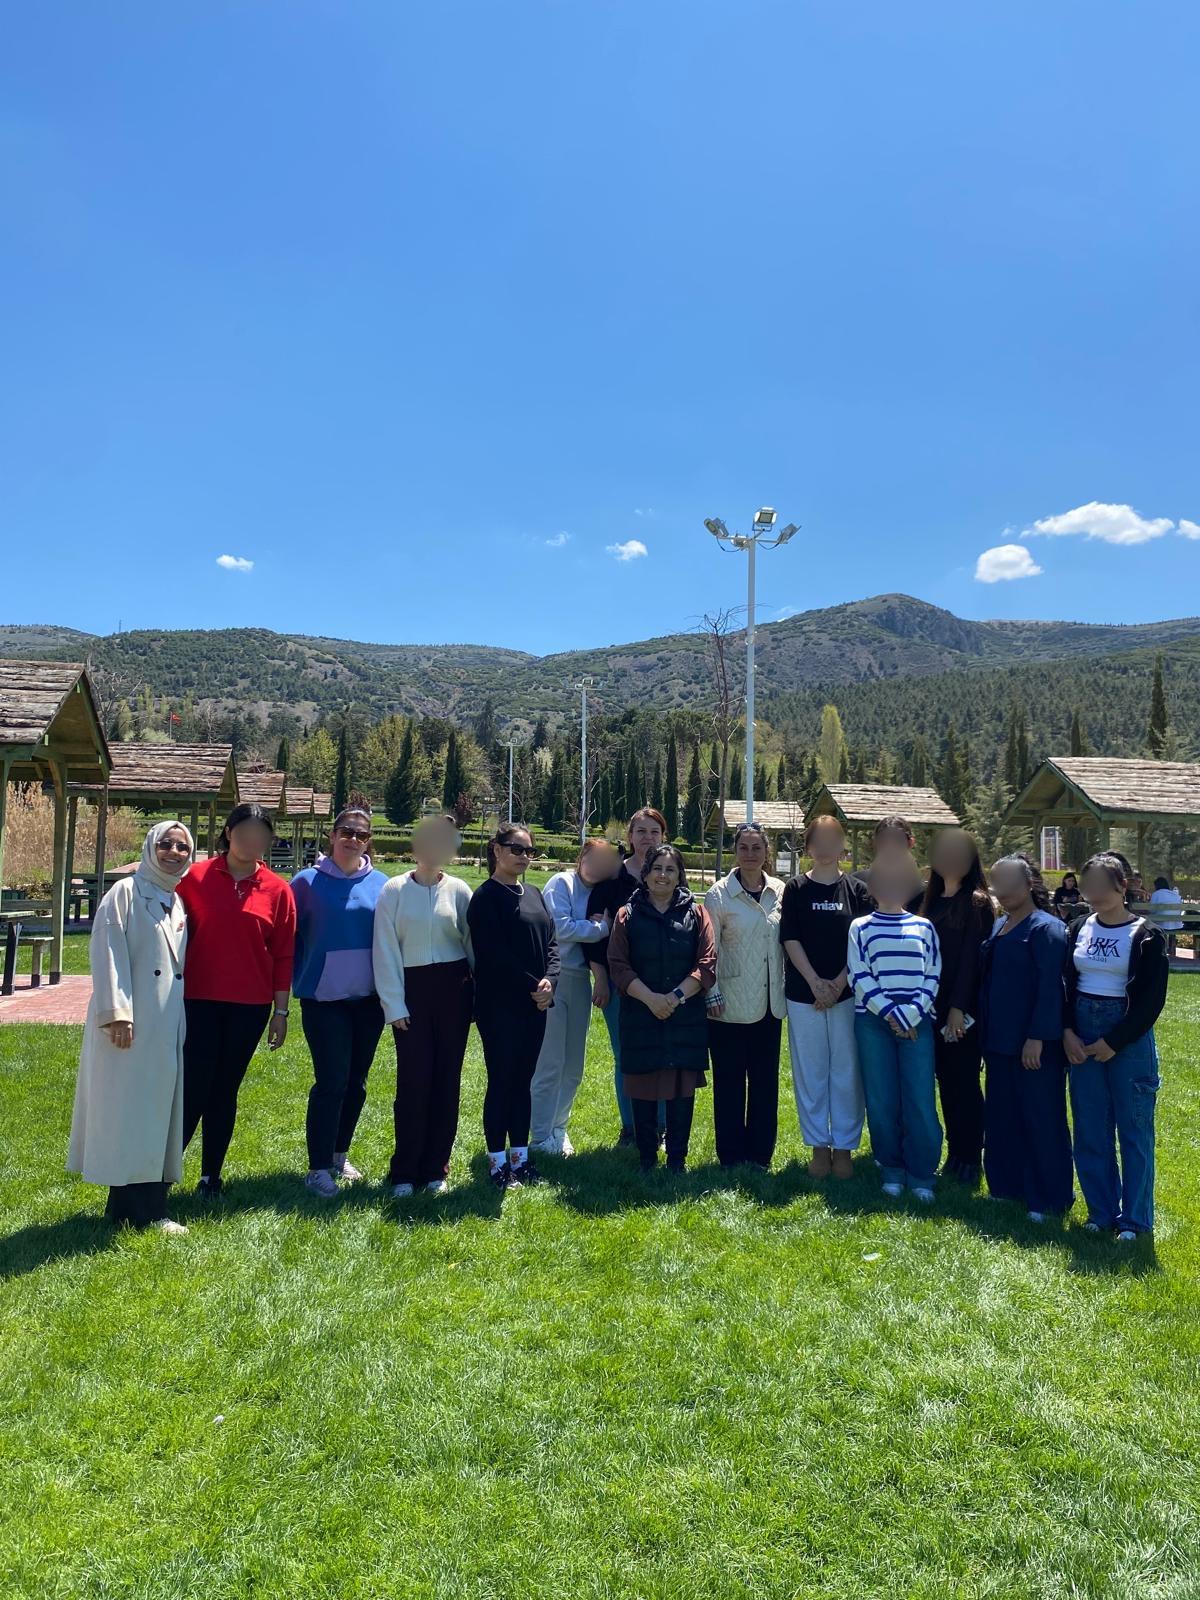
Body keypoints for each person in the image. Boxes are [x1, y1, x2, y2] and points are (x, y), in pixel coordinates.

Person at [68, 823, 195, 1233]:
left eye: (182, 846)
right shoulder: (125, 893)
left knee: (153, 1113)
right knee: (129, 1113)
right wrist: (117, 1013)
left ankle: (128, 1206)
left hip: (164, 1025)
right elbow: (107, 951)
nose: (174, 852)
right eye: (165, 844)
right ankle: (145, 1210)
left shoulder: (175, 900)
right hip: (130, 1025)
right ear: (149, 848)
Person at [176, 802, 296, 1199]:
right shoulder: (193, 878)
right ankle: (162, 1174)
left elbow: (283, 955)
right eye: (244, 833)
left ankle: (210, 1177)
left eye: (260, 835)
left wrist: (281, 1011)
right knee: (192, 1087)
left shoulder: (279, 890)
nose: (251, 841)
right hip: (197, 1000)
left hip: (250, 1006)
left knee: (225, 1089)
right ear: (228, 833)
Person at [1063, 853, 1168, 1240]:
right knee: (1090, 1128)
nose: (1091, 892)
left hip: (1129, 1039)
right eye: (1087, 884)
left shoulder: (1148, 935)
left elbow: (1151, 1001)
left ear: (1122, 886)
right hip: (1081, 1035)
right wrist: (1067, 1031)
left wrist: (1114, 1041)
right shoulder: (1077, 928)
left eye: (1100, 884)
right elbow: (1063, 984)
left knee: (1134, 1131)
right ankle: (1101, 1212)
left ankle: (1135, 1221)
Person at [290, 795, 387, 1197]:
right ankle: (317, 1168)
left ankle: (338, 1154)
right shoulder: (305, 883)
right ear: (332, 836)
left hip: (369, 1001)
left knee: (357, 1083)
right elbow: (286, 939)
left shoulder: (382, 885)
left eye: (361, 835)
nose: (353, 839)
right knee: (331, 1082)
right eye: (346, 832)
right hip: (323, 1000)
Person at [373, 815, 475, 1198]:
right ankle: (404, 1171)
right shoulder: (394, 890)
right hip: (411, 992)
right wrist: (393, 1004)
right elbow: (384, 948)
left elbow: (472, 946)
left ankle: (436, 1168)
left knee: (447, 1082)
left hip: (453, 991)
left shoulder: (460, 890)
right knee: (413, 1084)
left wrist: (476, 998)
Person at [607, 845, 717, 1173]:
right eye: (657, 868)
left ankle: (677, 1160)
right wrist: (651, 999)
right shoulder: (626, 915)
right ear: (645, 874)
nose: (663, 875)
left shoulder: (697, 914)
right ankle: (646, 1158)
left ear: (679, 875)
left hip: (685, 1015)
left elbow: (707, 963)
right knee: (643, 1083)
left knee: (681, 1088)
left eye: (671, 869)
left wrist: (675, 997)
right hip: (640, 1013)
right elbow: (618, 966)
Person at [978, 854, 1072, 1222]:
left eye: (1008, 882)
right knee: (1002, 1117)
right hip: (999, 1041)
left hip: (1034, 1044)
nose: (1000, 890)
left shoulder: (1046, 928)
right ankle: (1005, 1187)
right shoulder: (999, 924)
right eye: (996, 882)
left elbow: (1051, 987)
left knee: (1041, 1119)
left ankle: (1048, 1198)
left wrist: (1037, 1036)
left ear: (1029, 884)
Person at [467, 823, 559, 1190]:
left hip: (536, 1005)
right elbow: (493, 955)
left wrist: (551, 981)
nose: (523, 856)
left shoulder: (534, 893)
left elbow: (552, 944)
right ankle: (497, 1164)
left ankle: (520, 1160)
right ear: (496, 850)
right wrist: (535, 986)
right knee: (502, 1081)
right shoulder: (485, 898)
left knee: (523, 1082)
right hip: (500, 1006)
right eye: (516, 849)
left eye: (529, 851)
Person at [847, 853, 942, 1201]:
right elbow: (858, 973)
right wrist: (891, 1013)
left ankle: (921, 1172)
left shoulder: (924, 927)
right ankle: (891, 1167)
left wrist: (910, 1014)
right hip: (873, 1022)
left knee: (920, 1099)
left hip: (917, 1022)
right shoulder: (860, 927)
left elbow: (933, 973)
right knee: (881, 1099)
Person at [779, 814, 870, 1178]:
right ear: (809, 846)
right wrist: (816, 982)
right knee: (811, 1072)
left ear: (843, 845)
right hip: (804, 995)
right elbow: (790, 938)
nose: (827, 847)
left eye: (834, 839)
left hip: (847, 995)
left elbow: (863, 945)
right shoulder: (796, 889)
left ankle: (844, 1147)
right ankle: (819, 1146)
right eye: (820, 840)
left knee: (847, 1071)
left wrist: (837, 984)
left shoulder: (858, 891)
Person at [530, 837, 620, 1157]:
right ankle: (540, 1135)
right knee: (550, 1063)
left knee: (573, 1066)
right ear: (582, 857)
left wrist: (593, 928)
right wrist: (600, 928)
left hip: (580, 979)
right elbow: (561, 928)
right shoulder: (561, 883)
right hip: (554, 978)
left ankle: (559, 1129)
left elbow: (578, 930)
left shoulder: (600, 892)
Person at [704, 823, 787, 1169]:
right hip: (728, 1002)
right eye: (744, 847)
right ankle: (730, 1155)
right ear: (735, 851)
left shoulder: (780, 891)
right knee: (729, 1082)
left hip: (769, 1002)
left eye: (757, 847)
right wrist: (711, 993)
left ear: (767, 852)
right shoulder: (718, 894)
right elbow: (708, 949)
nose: (750, 854)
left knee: (765, 1083)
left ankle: (760, 1155)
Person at [586, 807, 670, 1144]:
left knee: (659, 1054)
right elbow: (595, 938)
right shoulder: (611, 881)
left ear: (663, 837)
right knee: (625, 1054)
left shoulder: (670, 875)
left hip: (661, 985)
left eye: (654, 832)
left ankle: (660, 1126)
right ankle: (631, 1126)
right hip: (618, 984)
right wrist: (600, 979)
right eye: (641, 831)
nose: (648, 837)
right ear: (630, 836)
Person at [921, 829, 995, 1183]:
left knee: (964, 1081)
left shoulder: (978, 903)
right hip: (930, 1007)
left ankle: (970, 1155)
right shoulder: (929, 901)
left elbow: (971, 961)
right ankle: (954, 1152)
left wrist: (957, 1007)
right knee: (946, 1082)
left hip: (960, 1011)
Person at [854, 815, 925, 913]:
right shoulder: (857, 885)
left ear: (911, 843)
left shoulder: (921, 893)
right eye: (884, 842)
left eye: (897, 842)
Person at [1149, 874, 1184, 957]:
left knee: (1154, 922)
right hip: (1175, 924)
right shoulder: (1176, 895)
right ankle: (1172, 950)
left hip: (1161, 923)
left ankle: (1161, 949)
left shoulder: (1156, 894)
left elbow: (1152, 910)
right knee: (1169, 923)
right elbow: (1180, 910)